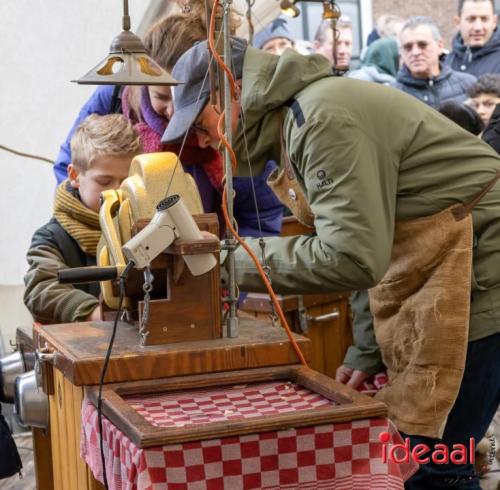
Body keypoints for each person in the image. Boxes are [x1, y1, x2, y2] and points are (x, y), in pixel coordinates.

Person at [162, 37, 500, 489]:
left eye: (201, 121)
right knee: (428, 457)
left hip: (481, 277)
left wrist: (226, 262)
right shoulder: (302, 118)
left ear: (234, 90)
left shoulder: (321, 119)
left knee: (435, 464)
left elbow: (351, 257)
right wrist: (365, 348)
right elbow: (364, 238)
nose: (202, 139)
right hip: (451, 271)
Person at [52, 11, 283, 238]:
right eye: (161, 97)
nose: (173, 111)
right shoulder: (114, 97)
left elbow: (260, 214)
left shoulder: (229, 128)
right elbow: (72, 166)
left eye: (185, 100)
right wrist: (103, 235)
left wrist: (226, 265)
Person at [24, 114, 142, 324]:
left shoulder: (145, 227)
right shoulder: (52, 238)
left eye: (126, 181)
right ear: (74, 176)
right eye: (104, 181)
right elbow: (41, 289)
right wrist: (95, 314)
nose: (115, 191)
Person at [393, 16, 476, 108]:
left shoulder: (468, 85)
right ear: (401, 52)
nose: (415, 52)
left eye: (422, 45)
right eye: (408, 47)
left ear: (440, 46)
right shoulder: (391, 95)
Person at [445, 0, 500, 77]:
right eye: (471, 19)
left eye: (484, 19)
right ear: (457, 22)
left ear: (494, 22)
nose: (478, 27)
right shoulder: (445, 64)